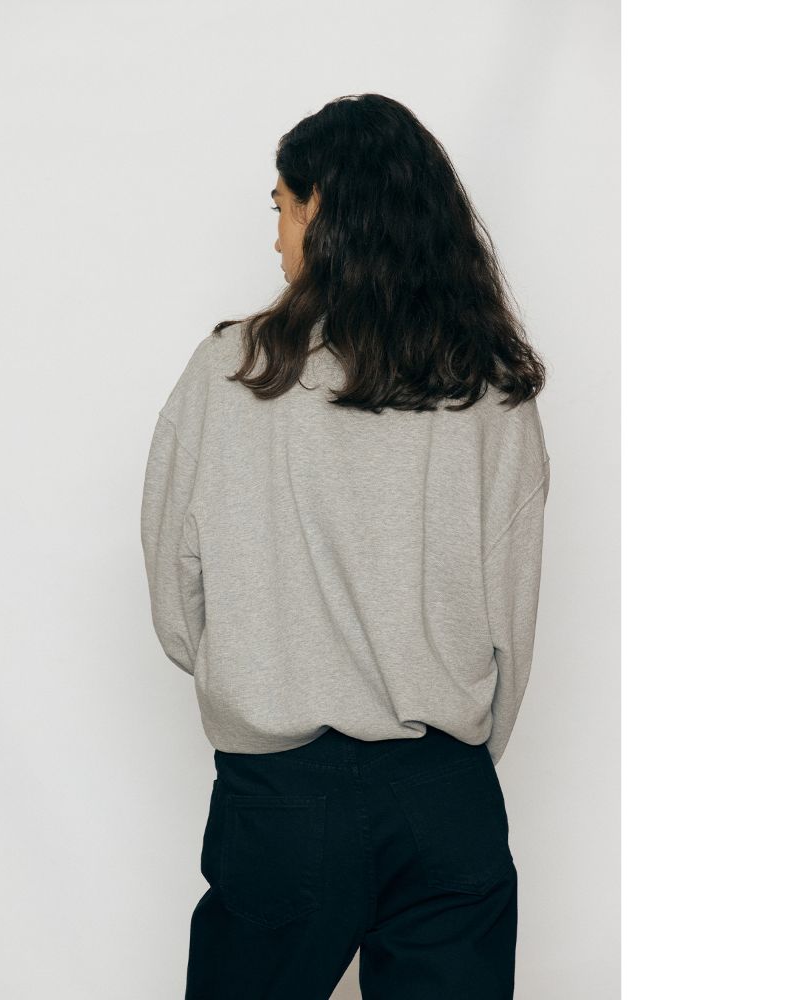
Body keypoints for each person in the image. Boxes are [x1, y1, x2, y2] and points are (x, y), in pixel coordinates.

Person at [140, 93, 550, 1000]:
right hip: (445, 794)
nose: (275, 235)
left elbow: (177, 598)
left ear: (321, 207)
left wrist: (262, 675)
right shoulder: (492, 390)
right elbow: (511, 619)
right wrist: (454, 761)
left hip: (280, 796)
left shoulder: (231, 372)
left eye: (282, 207)